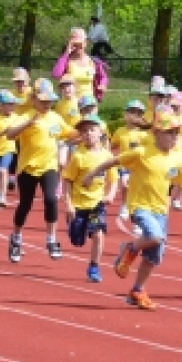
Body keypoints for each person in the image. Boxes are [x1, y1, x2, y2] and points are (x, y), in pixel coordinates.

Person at [82, 110, 182, 311]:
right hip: (139, 206)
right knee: (155, 236)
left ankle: (137, 290)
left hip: (161, 211)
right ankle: (130, 249)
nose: (174, 137)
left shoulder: (178, 158)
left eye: (177, 133)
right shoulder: (142, 152)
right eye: (170, 133)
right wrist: (91, 175)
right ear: (156, 133)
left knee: (153, 257)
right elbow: (113, 161)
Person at [5, 78, 80, 262]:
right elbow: (9, 134)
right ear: (34, 99)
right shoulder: (27, 115)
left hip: (49, 166)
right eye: (43, 101)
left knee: (51, 199)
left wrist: (88, 132)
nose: (47, 104)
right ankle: (15, 238)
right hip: (28, 167)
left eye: (50, 101)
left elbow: (71, 133)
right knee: (25, 205)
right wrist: (28, 123)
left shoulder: (55, 117)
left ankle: (52, 239)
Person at [62, 115, 119, 283]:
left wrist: (111, 194)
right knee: (77, 240)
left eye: (91, 130)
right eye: (84, 131)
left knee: (98, 234)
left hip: (97, 204)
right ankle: (73, 224)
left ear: (100, 132)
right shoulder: (78, 156)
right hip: (79, 204)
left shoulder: (107, 156)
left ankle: (94, 266)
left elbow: (113, 179)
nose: (88, 134)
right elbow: (67, 180)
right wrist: (68, 204)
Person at [111, 99, 148, 220]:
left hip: (139, 166)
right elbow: (113, 145)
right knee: (125, 185)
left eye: (138, 113)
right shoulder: (120, 131)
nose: (134, 116)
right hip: (124, 165)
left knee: (139, 188)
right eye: (131, 112)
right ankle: (124, 206)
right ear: (125, 115)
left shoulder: (144, 134)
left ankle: (136, 208)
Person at [52, 27, 108, 101]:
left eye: (80, 43)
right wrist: (66, 53)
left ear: (85, 43)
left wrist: (102, 85)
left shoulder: (93, 62)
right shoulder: (66, 60)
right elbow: (56, 75)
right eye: (75, 44)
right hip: (70, 104)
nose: (77, 47)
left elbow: (103, 77)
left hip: (89, 105)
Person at [8, 68, 33, 191]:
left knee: (27, 153)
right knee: (14, 153)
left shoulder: (32, 93)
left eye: (22, 81)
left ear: (28, 81)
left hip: (29, 128)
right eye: (17, 82)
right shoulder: (11, 94)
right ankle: (12, 177)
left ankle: (27, 177)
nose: (20, 84)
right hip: (17, 128)